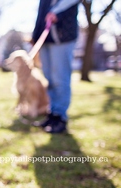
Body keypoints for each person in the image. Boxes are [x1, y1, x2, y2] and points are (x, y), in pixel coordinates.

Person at [32, 0, 80, 134]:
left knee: (60, 78)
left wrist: (56, 11)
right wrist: (35, 35)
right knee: (50, 79)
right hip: (45, 36)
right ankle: (52, 114)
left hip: (62, 35)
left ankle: (60, 117)